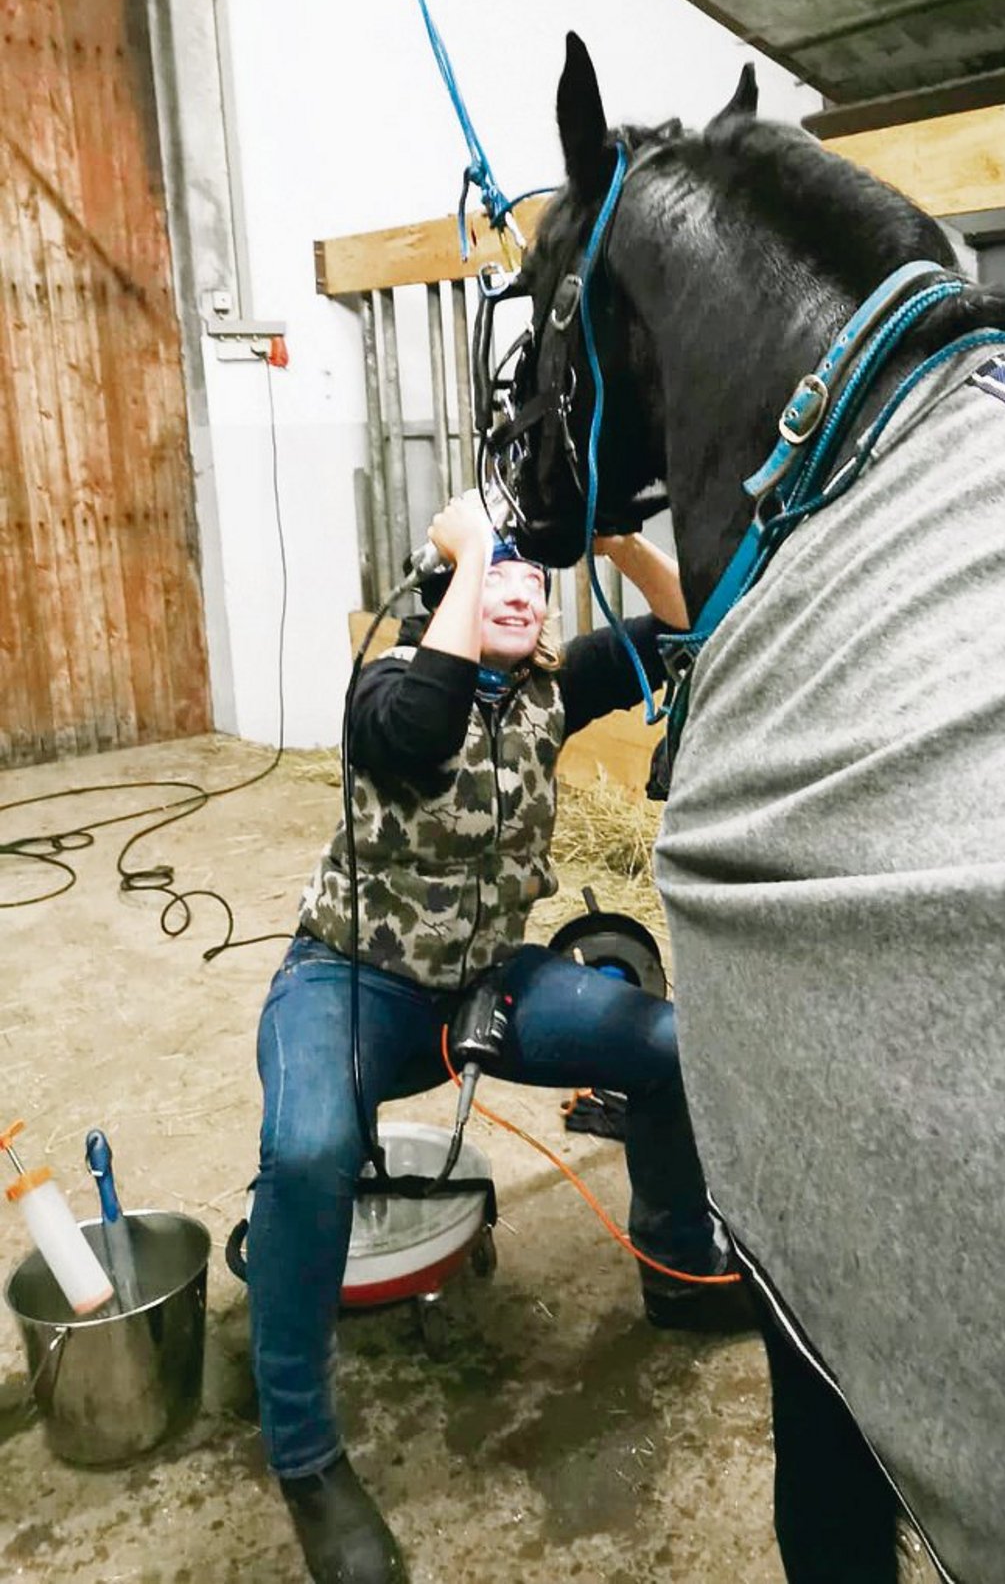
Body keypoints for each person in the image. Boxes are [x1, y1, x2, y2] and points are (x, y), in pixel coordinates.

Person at [245, 492, 751, 1584]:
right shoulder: (386, 688)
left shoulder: (548, 693)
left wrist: (615, 540)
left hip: (484, 984)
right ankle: (305, 1457)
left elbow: (690, 621)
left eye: (532, 574)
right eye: (495, 572)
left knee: (664, 1045)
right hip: (348, 981)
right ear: (448, 591)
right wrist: (472, 546)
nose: (519, 585)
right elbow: (420, 730)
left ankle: (676, 1264)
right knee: (305, 1152)